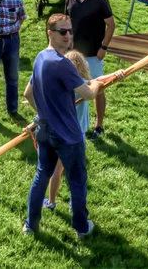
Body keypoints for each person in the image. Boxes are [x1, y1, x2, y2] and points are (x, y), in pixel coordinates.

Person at [22, 13, 124, 238]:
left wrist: (42, 113)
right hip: (68, 135)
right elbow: (88, 94)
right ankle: (81, 227)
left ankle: (31, 225)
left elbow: (28, 94)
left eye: (70, 31)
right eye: (62, 32)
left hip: (45, 131)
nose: (68, 35)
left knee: (42, 175)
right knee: (77, 181)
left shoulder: (40, 57)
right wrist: (97, 82)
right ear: (50, 33)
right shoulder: (62, 63)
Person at [65, 0, 115, 141]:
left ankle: (99, 125)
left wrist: (104, 48)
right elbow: (66, 23)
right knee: (76, 90)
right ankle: (78, 125)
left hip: (94, 54)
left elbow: (111, 26)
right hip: (73, 55)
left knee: (98, 89)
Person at [39, 50, 91, 211]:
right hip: (76, 135)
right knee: (74, 173)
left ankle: (52, 202)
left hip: (62, 133)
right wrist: (116, 75)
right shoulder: (86, 85)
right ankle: (72, 204)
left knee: (58, 170)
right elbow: (99, 83)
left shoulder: (63, 87)